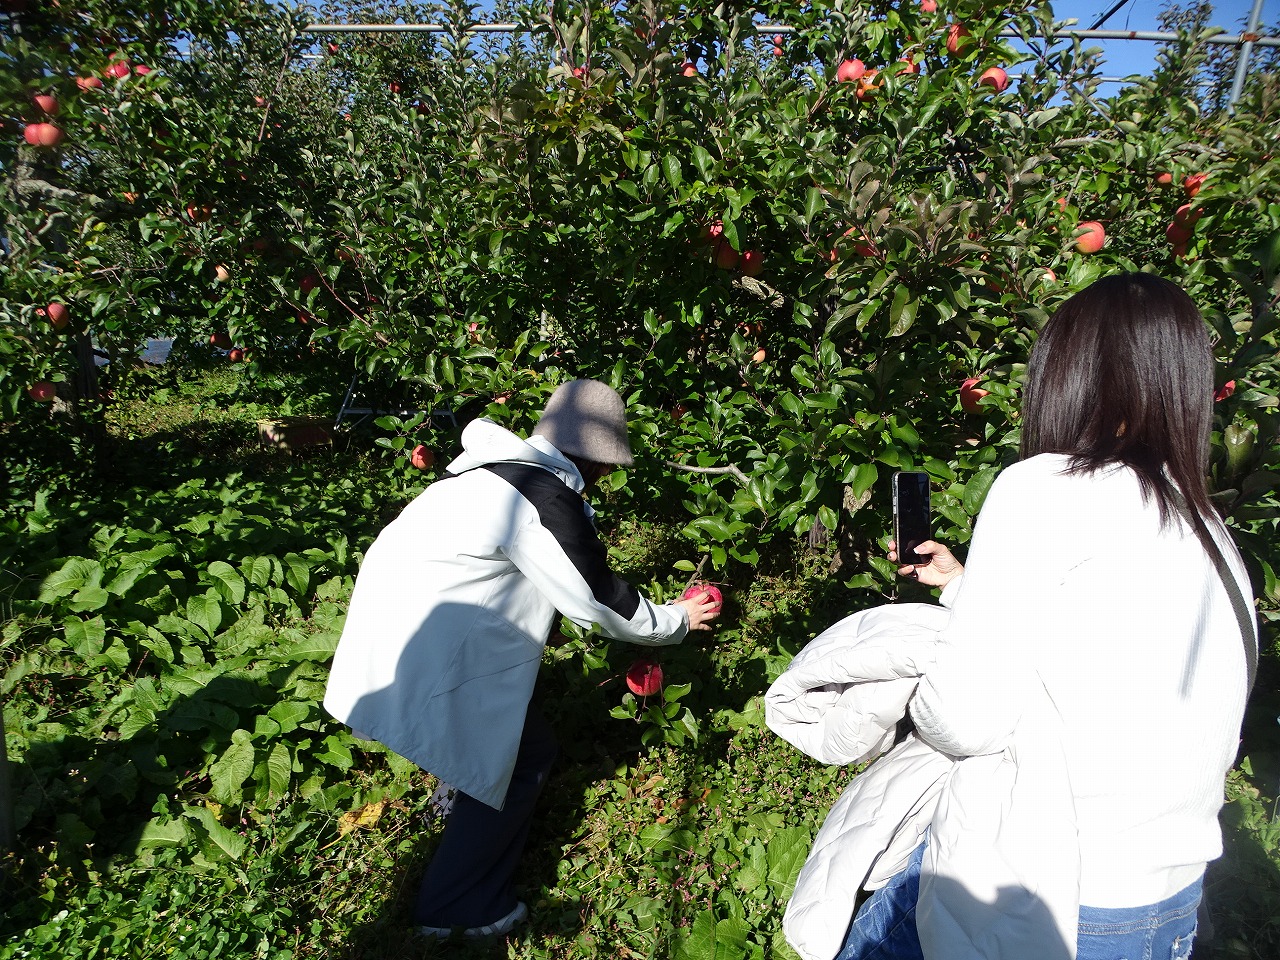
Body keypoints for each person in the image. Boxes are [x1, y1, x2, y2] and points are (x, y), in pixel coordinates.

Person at [837, 273, 1258, 959]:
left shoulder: (1045, 488)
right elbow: (1116, 663)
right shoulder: (1209, 532)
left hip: (1050, 892)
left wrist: (909, 679)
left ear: (1068, 374)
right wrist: (962, 586)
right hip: (1166, 905)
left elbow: (963, 720)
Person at [322, 379, 720, 939]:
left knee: (488, 740)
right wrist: (676, 619)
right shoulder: (540, 496)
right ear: (601, 460)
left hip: (393, 635)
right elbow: (596, 597)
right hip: (435, 657)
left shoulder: (482, 475)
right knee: (522, 756)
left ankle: (455, 803)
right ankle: (456, 908)